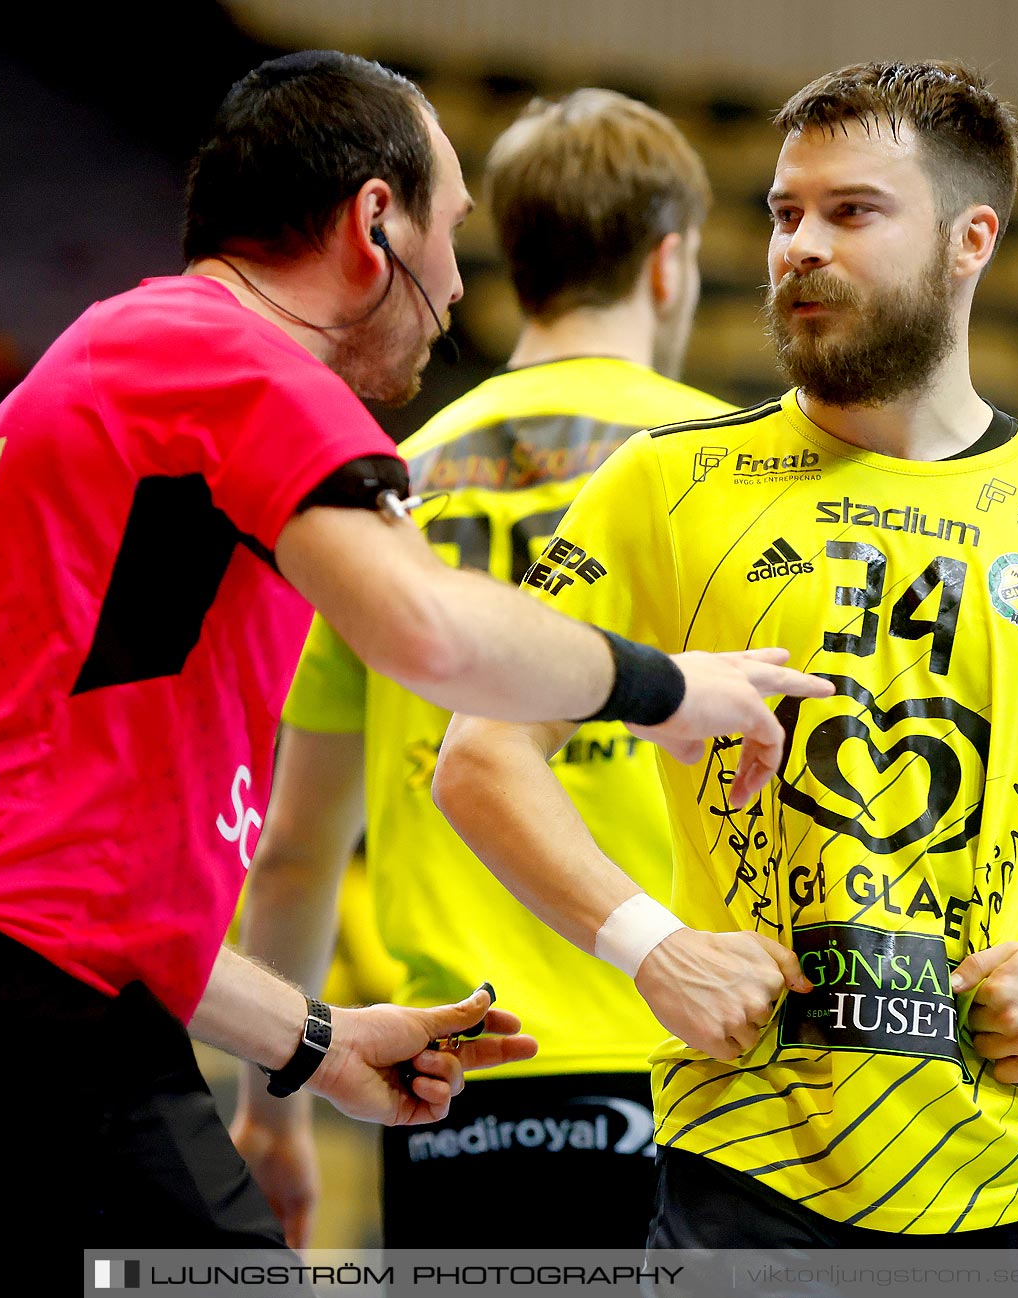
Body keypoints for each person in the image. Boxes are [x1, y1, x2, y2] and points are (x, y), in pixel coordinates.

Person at [0, 51, 828, 1297]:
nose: (454, 290)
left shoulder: (116, 379)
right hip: (4, 1026)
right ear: (373, 222)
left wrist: (318, 1042)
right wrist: (675, 688)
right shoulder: (228, 357)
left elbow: (90, 884)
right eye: (449, 235)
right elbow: (429, 631)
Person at [436, 59, 1018, 1258]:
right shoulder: (664, 487)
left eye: (851, 211)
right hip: (739, 1169)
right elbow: (480, 753)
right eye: (784, 214)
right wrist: (651, 944)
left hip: (1009, 1181)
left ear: (969, 238)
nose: (798, 246)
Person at [230, 87, 725, 1249]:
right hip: (697, 1064)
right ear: (669, 265)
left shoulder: (382, 484)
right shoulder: (733, 476)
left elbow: (300, 847)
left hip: (456, 1079)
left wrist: (274, 1105)